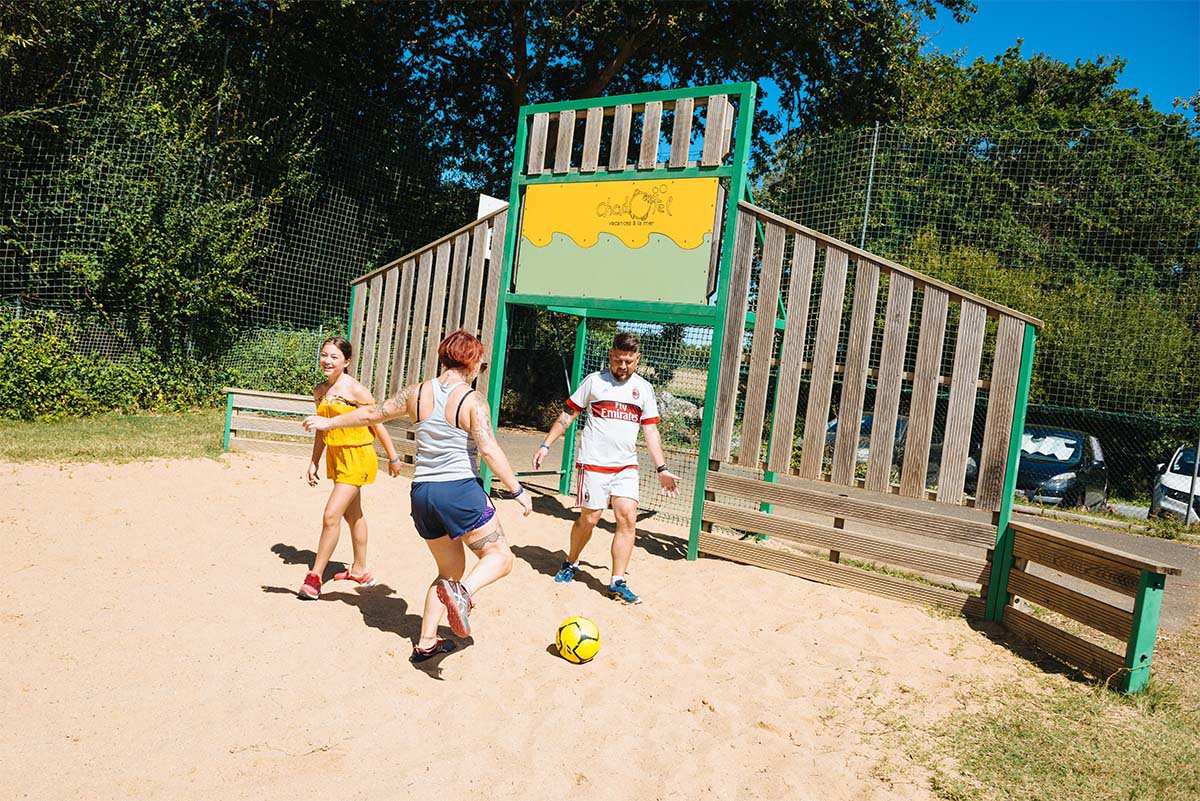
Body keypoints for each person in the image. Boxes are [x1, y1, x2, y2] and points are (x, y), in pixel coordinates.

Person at [304, 329, 531, 662]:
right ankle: (463, 594)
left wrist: (328, 424)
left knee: (448, 572)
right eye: (480, 362)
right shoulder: (472, 399)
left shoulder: (416, 392)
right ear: (471, 361)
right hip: (458, 489)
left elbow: (371, 413)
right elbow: (488, 449)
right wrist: (517, 489)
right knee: (500, 557)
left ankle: (426, 642)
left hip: (423, 494)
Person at [532, 331, 679, 604]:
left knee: (628, 519)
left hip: (626, 467)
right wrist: (545, 445)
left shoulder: (644, 389)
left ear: (638, 359)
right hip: (593, 464)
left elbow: (650, 431)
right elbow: (568, 414)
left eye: (628, 361)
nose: (622, 366)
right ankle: (571, 561)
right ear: (611, 355)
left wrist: (662, 469)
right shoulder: (594, 382)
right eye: (618, 360)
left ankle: (617, 581)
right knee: (589, 520)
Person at [298, 337, 402, 600]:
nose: (327, 361)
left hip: (357, 457)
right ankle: (360, 570)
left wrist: (393, 456)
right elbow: (321, 429)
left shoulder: (357, 390)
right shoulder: (319, 391)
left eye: (334, 357)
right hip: (336, 457)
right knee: (353, 515)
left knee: (331, 515)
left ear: (347, 361)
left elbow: (377, 422)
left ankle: (315, 577)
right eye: (324, 355)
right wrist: (314, 461)